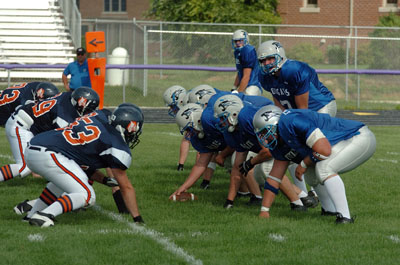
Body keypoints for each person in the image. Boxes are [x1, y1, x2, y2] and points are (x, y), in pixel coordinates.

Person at [23, 104, 144, 227]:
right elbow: (126, 187)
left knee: (61, 183)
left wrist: (104, 179)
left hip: (36, 146)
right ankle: (45, 215)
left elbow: (83, 165)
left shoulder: (101, 116)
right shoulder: (116, 147)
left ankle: (31, 215)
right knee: (86, 195)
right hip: (50, 153)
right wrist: (137, 218)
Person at [252, 106, 376, 224]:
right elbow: (274, 178)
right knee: (311, 175)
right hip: (338, 143)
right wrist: (264, 211)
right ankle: (329, 210)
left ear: (274, 125)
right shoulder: (280, 142)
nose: (265, 140)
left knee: (324, 168)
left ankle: (345, 217)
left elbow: (324, 150)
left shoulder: (292, 121)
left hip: (357, 136)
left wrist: (303, 164)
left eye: (265, 133)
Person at [257, 40, 337, 198]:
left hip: (320, 107)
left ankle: (325, 195)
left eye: (270, 59)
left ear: (280, 56)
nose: (266, 63)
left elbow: (303, 111)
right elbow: (279, 102)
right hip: (297, 112)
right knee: (291, 154)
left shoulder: (294, 70)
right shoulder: (265, 77)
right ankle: (305, 196)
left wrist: (293, 131)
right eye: (263, 60)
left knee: (311, 153)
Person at [213, 94, 313, 210]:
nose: (221, 122)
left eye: (222, 117)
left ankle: (298, 204)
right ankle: (303, 197)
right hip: (270, 149)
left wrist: (251, 163)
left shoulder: (246, 118)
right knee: (252, 168)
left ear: (233, 114)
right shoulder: (231, 133)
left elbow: (267, 151)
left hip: (284, 145)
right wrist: (229, 200)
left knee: (266, 168)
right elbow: (237, 167)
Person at [1, 87, 99, 182]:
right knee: (24, 167)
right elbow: (64, 143)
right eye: (89, 110)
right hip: (21, 125)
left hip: (29, 124)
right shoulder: (63, 115)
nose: (89, 113)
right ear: (80, 104)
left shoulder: (68, 97)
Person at [170, 103, 233, 198]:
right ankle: (245, 193)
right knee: (231, 165)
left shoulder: (211, 120)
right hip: (232, 148)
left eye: (189, 129)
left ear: (197, 120)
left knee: (238, 163)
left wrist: (222, 155)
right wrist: (184, 187)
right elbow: (201, 163)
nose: (189, 133)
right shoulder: (197, 137)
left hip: (246, 145)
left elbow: (236, 141)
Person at [163, 85, 191, 171]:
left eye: (172, 106)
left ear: (181, 101)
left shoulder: (194, 108)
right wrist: (180, 165)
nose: (171, 109)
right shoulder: (188, 108)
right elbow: (187, 138)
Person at [231, 29, 262, 96]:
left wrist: (239, 93)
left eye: (240, 40)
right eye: (236, 41)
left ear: (246, 40)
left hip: (252, 85)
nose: (238, 43)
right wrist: (234, 88)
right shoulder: (237, 52)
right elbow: (240, 72)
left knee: (243, 102)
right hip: (245, 84)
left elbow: (246, 76)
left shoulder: (248, 50)